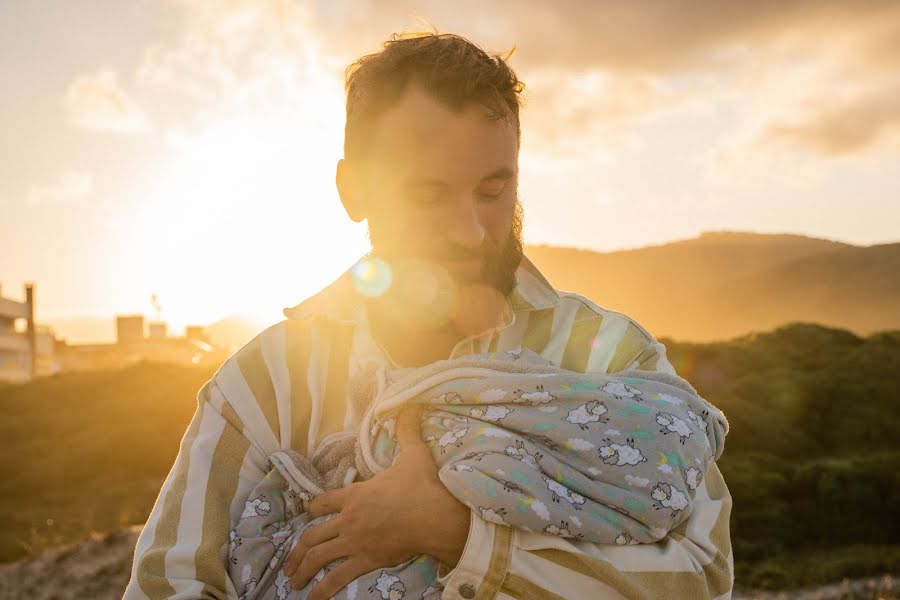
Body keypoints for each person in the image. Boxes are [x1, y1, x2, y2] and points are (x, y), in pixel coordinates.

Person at [125, 31, 733, 600]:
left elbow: (702, 575)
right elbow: (168, 585)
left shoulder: (611, 354)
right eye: (428, 195)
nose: (470, 233)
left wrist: (460, 536)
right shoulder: (264, 382)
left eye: (493, 191)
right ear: (353, 191)